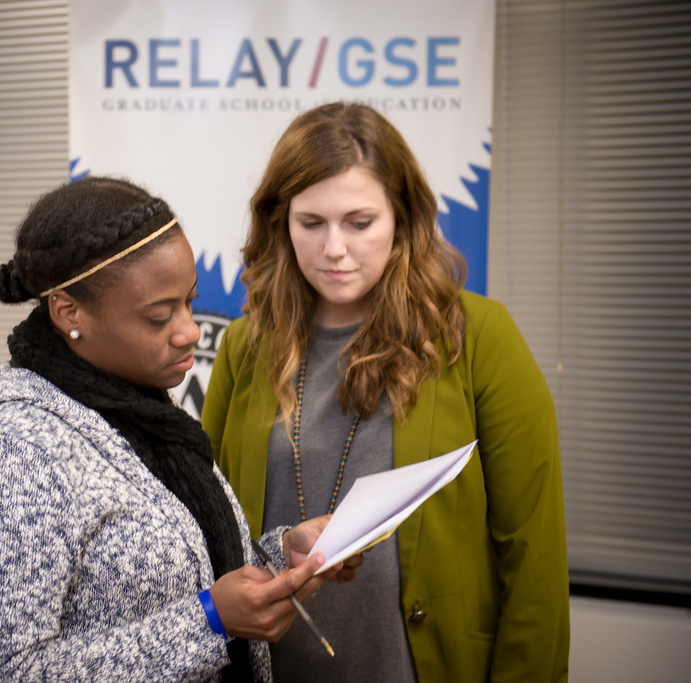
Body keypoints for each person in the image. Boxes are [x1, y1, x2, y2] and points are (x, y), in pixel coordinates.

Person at [0, 176, 360, 682]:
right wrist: (209, 622)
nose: (190, 331)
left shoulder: (137, 407)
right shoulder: (9, 449)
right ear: (69, 312)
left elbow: (174, 575)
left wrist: (283, 555)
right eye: (159, 317)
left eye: (189, 303)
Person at [201, 102, 570, 682]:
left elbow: (533, 555)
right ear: (281, 222)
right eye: (311, 223)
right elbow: (209, 527)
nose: (334, 249)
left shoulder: (478, 337)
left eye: (359, 222)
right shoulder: (244, 346)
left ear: (402, 217)